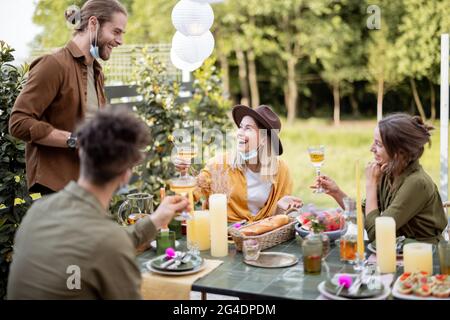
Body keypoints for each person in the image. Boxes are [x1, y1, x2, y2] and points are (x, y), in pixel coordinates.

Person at [7, 108, 190, 299]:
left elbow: (96, 243)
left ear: (80, 153)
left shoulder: (38, 211)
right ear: (126, 173)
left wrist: (156, 220)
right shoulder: (109, 242)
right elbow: (105, 244)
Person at [9, 0, 127, 195]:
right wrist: (74, 140)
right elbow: (18, 122)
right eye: (116, 31)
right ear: (92, 24)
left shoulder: (96, 72)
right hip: (56, 190)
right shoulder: (53, 65)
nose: (120, 41)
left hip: (89, 187)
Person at [314, 113, 447, 244]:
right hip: (398, 251)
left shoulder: (417, 183)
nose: (371, 148)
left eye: (378, 144)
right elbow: (366, 214)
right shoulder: (388, 171)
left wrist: (370, 185)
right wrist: (336, 192)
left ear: (399, 151)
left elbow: (376, 234)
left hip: (425, 256)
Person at [175, 104, 302, 223]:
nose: (240, 133)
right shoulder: (219, 165)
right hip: (223, 237)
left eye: (248, 128)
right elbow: (186, 200)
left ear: (264, 139)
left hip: (260, 240)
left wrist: (280, 207)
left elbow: (277, 222)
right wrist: (183, 174)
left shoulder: (281, 170)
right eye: (240, 127)